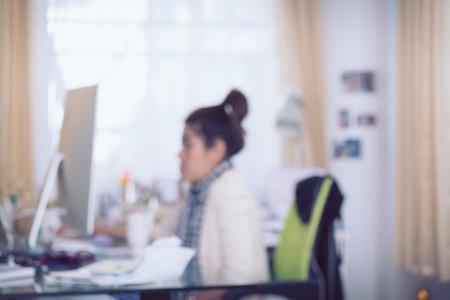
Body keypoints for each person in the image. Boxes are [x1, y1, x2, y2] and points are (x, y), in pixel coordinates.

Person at [176, 89, 269, 298]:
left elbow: (240, 275)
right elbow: (162, 233)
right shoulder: (199, 189)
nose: (180, 154)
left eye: (188, 145)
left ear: (216, 149)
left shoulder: (230, 190)